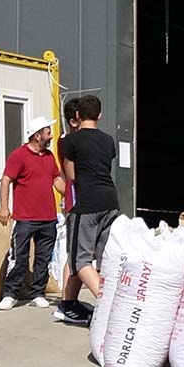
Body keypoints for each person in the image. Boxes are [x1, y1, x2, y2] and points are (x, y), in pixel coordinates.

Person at [57, 95, 120, 324]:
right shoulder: (108, 140)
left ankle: (109, 305)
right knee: (103, 258)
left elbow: (71, 176)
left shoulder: (70, 141)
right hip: (110, 202)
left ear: (77, 116)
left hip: (86, 204)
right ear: (99, 116)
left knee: (79, 260)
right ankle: (69, 304)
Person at [0, 116, 65, 311]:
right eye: (48, 132)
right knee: (19, 257)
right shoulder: (18, 155)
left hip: (48, 218)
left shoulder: (49, 156)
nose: (51, 136)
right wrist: (4, 208)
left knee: (43, 259)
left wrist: (69, 195)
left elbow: (56, 180)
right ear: (37, 136)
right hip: (25, 218)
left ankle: (37, 293)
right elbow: (6, 180)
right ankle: (10, 294)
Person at [54, 97, 91, 321]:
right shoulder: (68, 141)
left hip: (84, 201)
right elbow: (70, 175)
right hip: (76, 202)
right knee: (75, 254)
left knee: (79, 253)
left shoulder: (75, 141)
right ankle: (66, 303)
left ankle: (71, 300)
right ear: (74, 120)